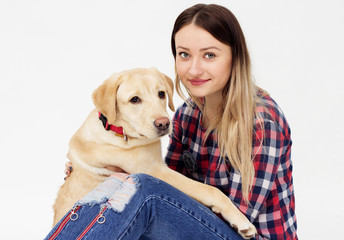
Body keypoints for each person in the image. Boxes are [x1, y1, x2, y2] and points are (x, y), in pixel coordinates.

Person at [45, 4, 297, 240]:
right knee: (129, 195)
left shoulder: (262, 122)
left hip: (246, 234)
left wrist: (131, 185)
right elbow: (171, 183)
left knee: (142, 191)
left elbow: (243, 216)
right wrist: (95, 178)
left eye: (209, 55)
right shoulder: (187, 114)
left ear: (235, 57)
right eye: (184, 55)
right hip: (202, 226)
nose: (194, 69)